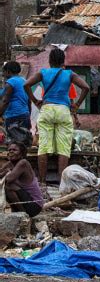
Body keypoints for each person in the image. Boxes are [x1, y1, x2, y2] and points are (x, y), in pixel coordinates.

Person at [24, 48, 89, 185]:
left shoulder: (43, 73)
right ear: (63, 61)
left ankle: (42, 183)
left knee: (43, 147)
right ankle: (61, 183)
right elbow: (86, 87)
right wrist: (76, 105)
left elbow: (27, 84)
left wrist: (35, 101)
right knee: (63, 148)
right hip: (63, 110)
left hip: (47, 109)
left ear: (49, 60)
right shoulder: (69, 74)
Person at [0, 142, 43, 216]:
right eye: (9, 150)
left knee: (9, 186)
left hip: (35, 205)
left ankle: (23, 214)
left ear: (22, 153)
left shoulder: (23, 163)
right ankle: (16, 211)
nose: (11, 151)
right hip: (26, 201)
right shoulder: (10, 163)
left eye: (14, 150)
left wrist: (6, 172)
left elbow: (9, 179)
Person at [0, 61, 32, 145]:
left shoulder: (10, 82)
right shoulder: (24, 81)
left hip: (14, 115)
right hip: (25, 115)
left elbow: (5, 101)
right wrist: (29, 115)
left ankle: (16, 158)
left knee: (13, 143)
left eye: (4, 72)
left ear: (8, 71)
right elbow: (29, 101)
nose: (4, 74)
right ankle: (22, 157)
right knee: (23, 142)